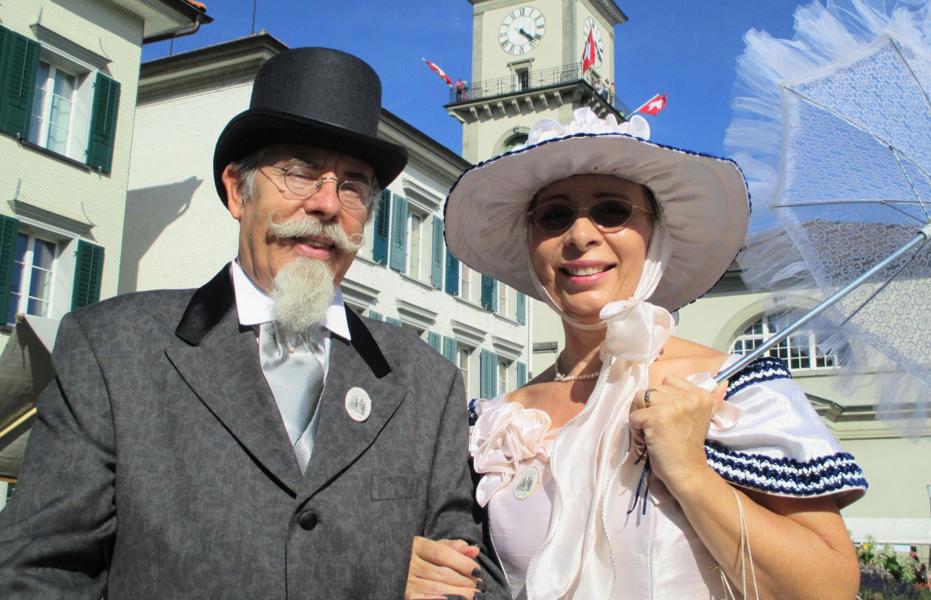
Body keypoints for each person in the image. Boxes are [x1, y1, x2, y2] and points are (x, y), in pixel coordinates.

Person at [0, 48, 502, 599]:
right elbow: (38, 574)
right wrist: (372, 565)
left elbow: (470, 583)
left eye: (353, 186)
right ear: (239, 192)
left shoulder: (427, 384)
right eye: (299, 172)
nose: (327, 204)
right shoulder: (115, 351)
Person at [409, 107, 868, 598]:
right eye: (555, 216)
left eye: (612, 210)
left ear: (655, 234)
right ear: (532, 242)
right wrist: (419, 570)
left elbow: (829, 587)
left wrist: (691, 472)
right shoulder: (497, 424)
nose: (580, 235)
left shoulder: (735, 390)